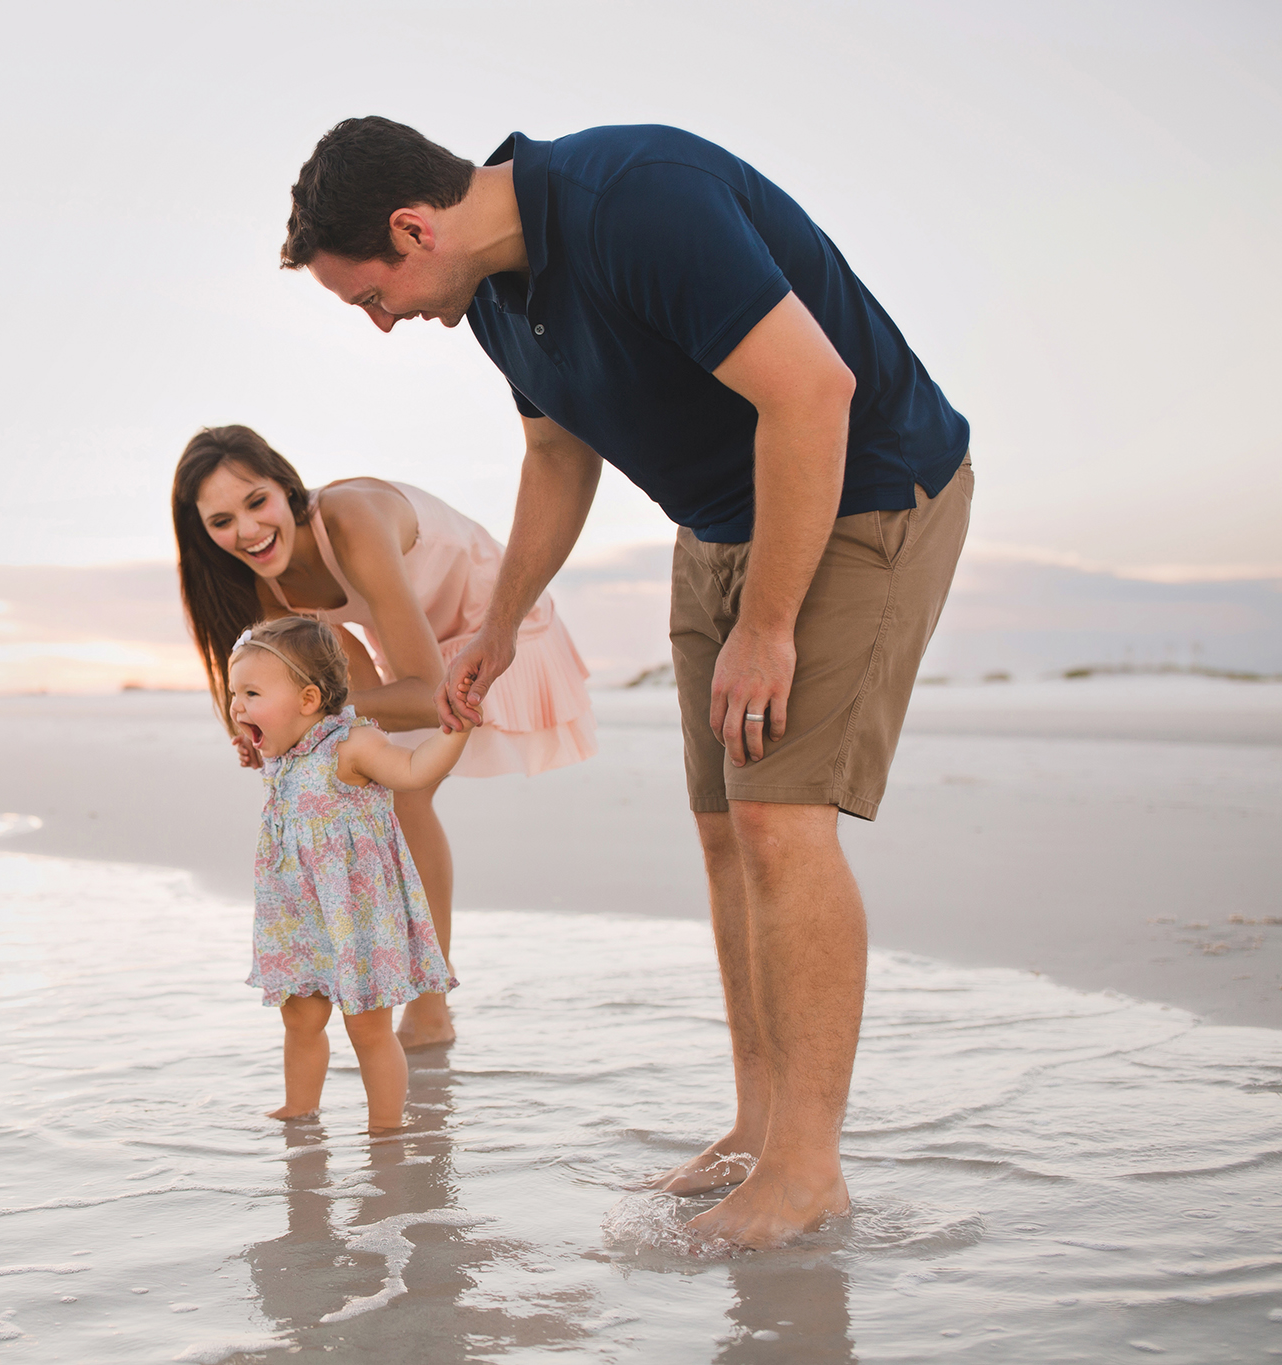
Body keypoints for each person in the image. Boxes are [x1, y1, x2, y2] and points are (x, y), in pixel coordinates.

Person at [281, 118, 974, 1249]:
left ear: (413, 229)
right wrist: (494, 628)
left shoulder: (635, 199)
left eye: (369, 295)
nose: (383, 320)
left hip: (859, 490)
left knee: (779, 825)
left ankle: (806, 1172)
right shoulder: (494, 299)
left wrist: (768, 624)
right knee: (720, 831)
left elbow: (812, 395)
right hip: (714, 525)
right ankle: (756, 1135)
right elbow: (557, 457)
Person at [172, 424, 599, 1049]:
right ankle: (391, 986)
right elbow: (315, 690)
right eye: (221, 521)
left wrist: (311, 722)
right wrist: (263, 729)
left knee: (405, 793)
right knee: (371, 784)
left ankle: (430, 1005)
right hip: (409, 639)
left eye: (256, 502)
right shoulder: (265, 583)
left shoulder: (351, 520)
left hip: (494, 625)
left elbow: (425, 691)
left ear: (286, 489)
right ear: (202, 532)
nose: (247, 532)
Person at [229, 617, 467, 1131]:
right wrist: (256, 746)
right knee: (300, 1018)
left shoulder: (351, 745)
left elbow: (415, 770)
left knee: (367, 1028)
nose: (237, 706)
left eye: (250, 693)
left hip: (354, 913)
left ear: (309, 699)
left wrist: (455, 732)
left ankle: (386, 1127)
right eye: (235, 694)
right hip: (298, 914)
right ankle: (300, 1107)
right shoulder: (285, 752)